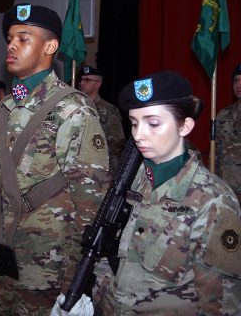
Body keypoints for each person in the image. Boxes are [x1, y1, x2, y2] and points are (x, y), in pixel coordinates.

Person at [0, 4, 109, 315]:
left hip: (49, 268)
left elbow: (90, 201)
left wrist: (76, 278)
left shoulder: (72, 109)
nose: (11, 45)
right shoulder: (3, 109)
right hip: (6, 257)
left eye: (23, 39)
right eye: (11, 38)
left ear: (50, 46)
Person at [95, 71, 241, 314]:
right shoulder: (128, 185)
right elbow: (105, 252)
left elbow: (221, 304)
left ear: (185, 126)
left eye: (153, 123)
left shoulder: (213, 201)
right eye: (133, 123)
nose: (138, 135)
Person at [78, 66, 126, 176]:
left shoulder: (109, 110)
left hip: (102, 168)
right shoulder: (76, 106)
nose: (81, 83)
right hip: (79, 167)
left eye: (87, 80)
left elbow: (117, 144)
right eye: (81, 79)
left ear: (98, 84)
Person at [216, 63, 241, 201]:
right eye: (236, 80)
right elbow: (216, 153)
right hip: (225, 189)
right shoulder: (223, 115)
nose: (239, 84)